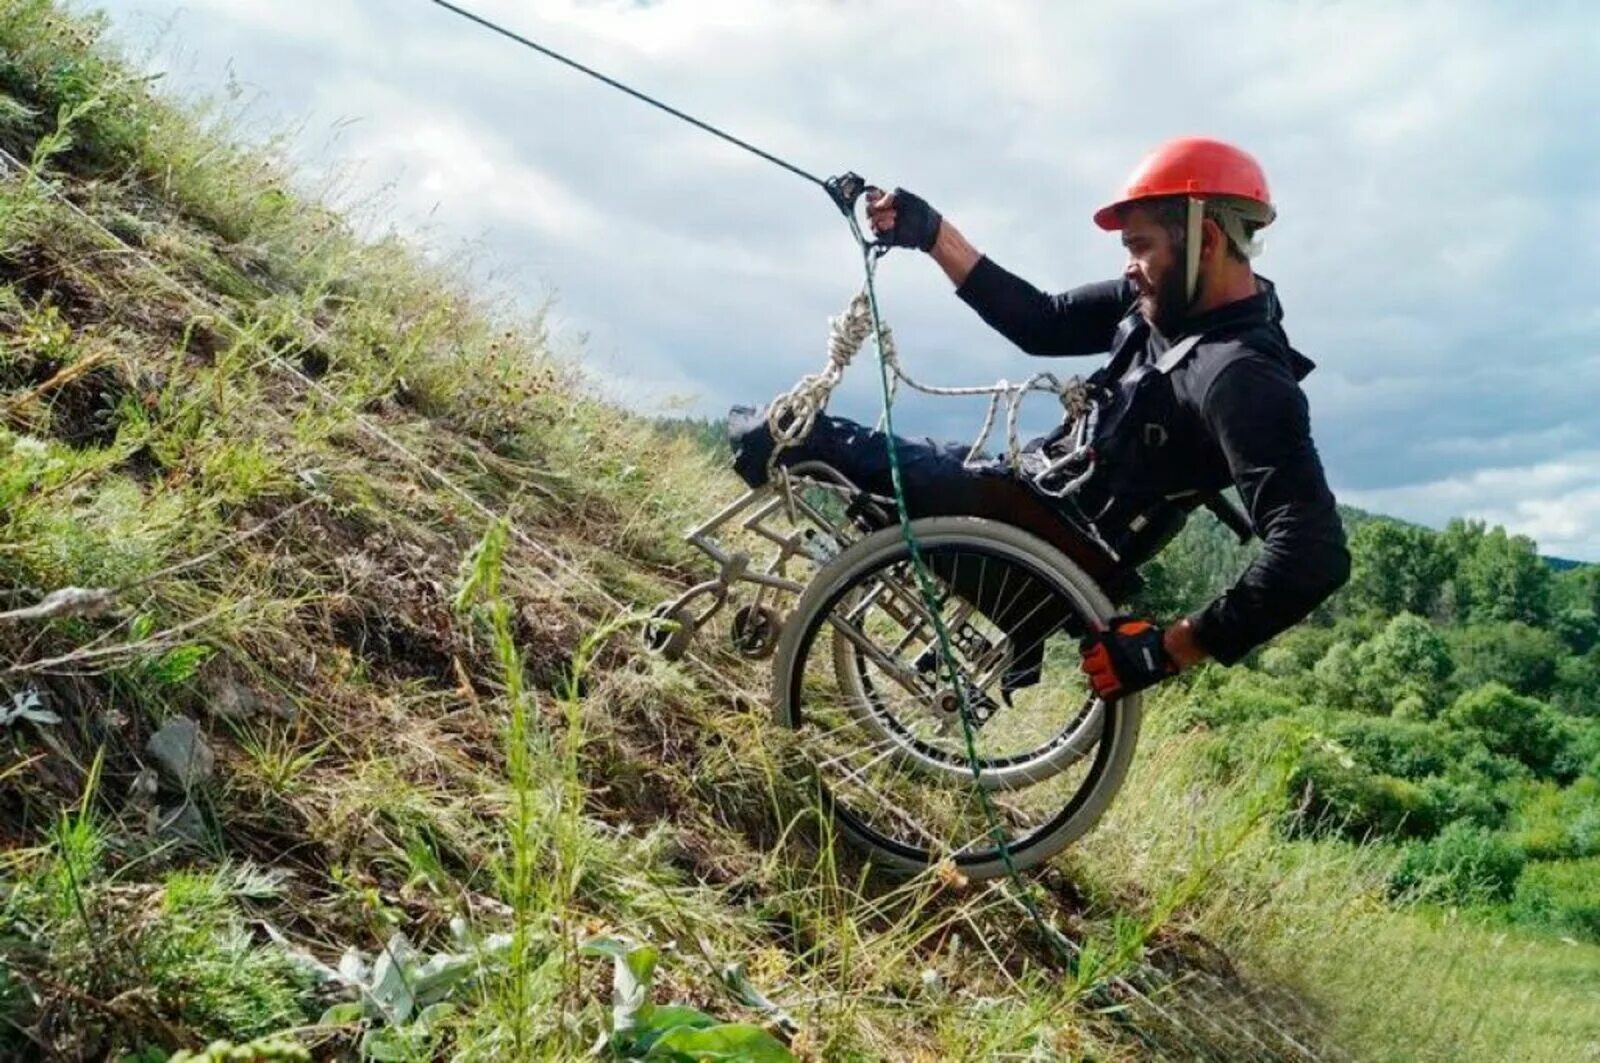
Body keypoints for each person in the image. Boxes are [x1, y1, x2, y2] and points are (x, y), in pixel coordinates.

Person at [732, 137, 1349, 703]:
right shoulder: (1160, 305)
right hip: (1024, 496)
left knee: (791, 434)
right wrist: (932, 233)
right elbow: (1041, 321)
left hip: (1044, 536)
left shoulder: (1239, 375)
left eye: (1140, 247)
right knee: (797, 432)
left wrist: (1169, 649)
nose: (1130, 267)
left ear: (1207, 241)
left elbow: (1312, 553)